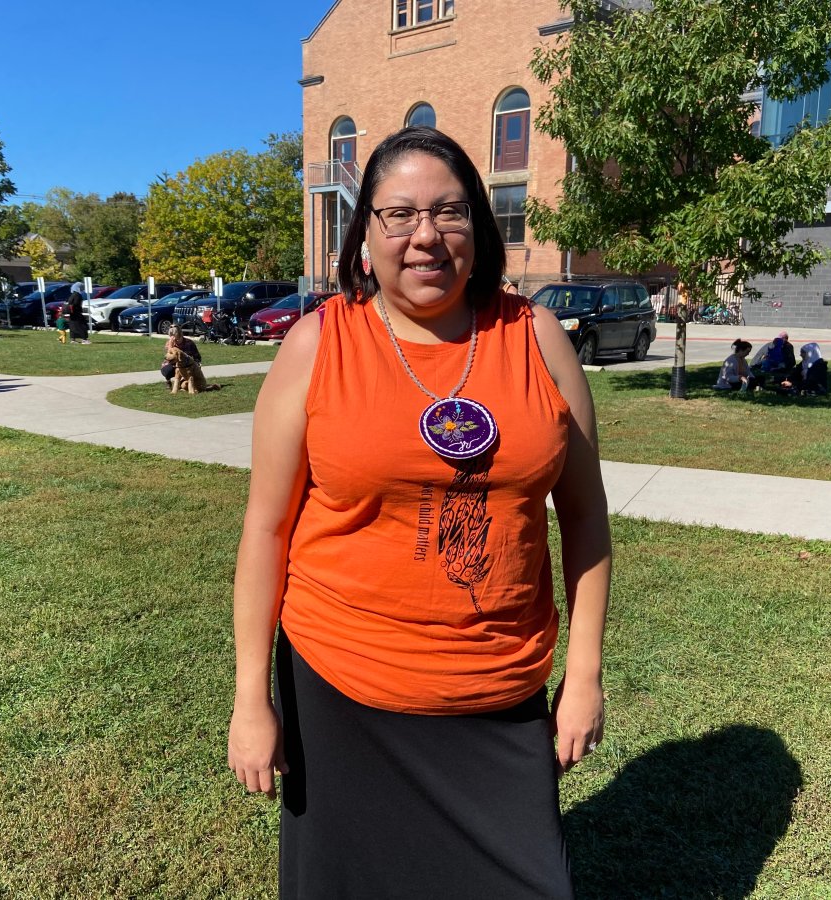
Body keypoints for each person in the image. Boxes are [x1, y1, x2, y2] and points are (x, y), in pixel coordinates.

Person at [227, 126, 610, 898]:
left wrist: (585, 673)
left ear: (479, 226)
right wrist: (250, 699)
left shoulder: (535, 337)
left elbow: (587, 519)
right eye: (398, 214)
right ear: (364, 232)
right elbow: (266, 531)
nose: (426, 235)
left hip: (498, 688)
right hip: (343, 685)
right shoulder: (317, 345)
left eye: (450, 212)